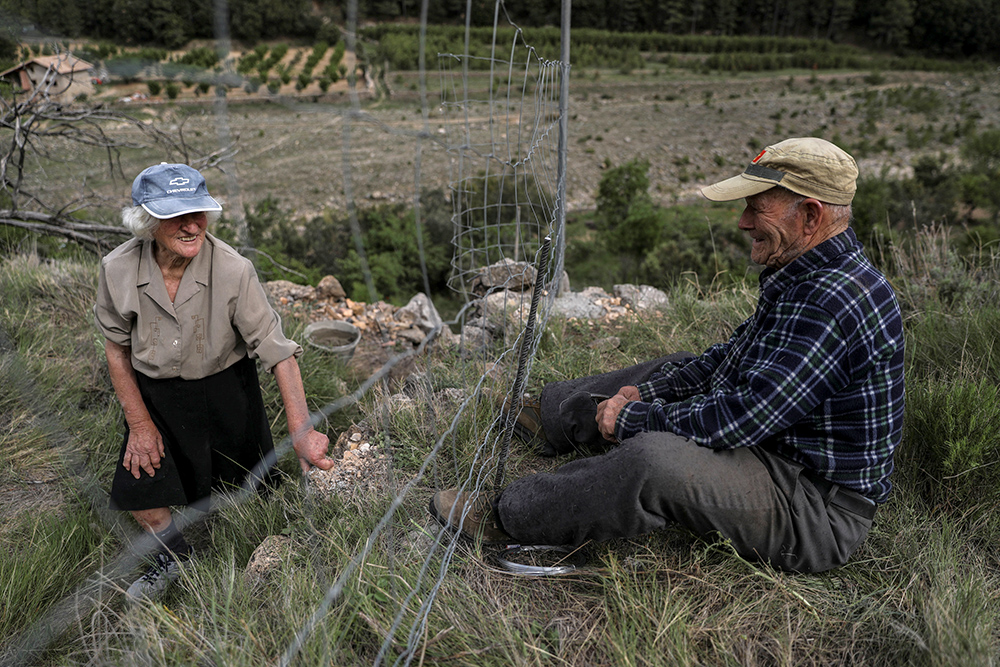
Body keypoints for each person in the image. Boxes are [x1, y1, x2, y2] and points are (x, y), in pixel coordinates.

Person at [430, 137, 905, 573]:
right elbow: (726, 363)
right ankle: (552, 417)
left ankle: (507, 516)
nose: (742, 222)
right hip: (776, 454)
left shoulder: (833, 303)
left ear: (811, 215)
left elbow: (741, 417)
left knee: (655, 462)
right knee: (676, 366)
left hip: (812, 507)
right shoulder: (808, 273)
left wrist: (636, 418)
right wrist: (647, 394)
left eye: (757, 209)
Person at [94, 162, 335, 600]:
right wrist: (140, 424)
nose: (191, 226)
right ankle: (175, 559)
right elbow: (116, 349)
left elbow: (278, 352)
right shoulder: (117, 269)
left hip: (226, 389)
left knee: (252, 491)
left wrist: (301, 431)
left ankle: (270, 558)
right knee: (141, 488)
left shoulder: (233, 269)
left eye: (198, 212)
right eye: (175, 215)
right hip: (156, 396)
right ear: (147, 221)